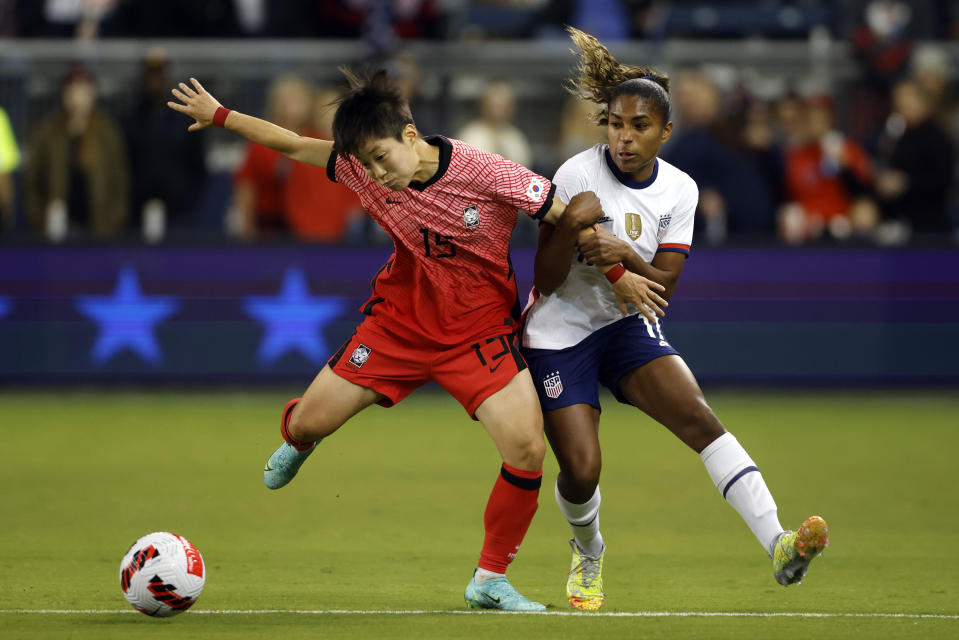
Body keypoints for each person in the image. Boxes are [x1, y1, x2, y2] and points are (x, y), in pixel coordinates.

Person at [167, 67, 665, 611]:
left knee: (526, 449)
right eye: (366, 164)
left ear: (409, 135)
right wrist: (220, 115)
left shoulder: (485, 171)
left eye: (382, 158)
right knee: (310, 421)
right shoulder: (360, 169)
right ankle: (298, 438)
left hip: (477, 331)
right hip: (399, 326)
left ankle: (489, 580)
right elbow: (292, 143)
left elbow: (570, 218)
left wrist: (619, 276)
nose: (376, 175)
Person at [519, 27, 829, 612]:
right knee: (582, 470)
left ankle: (779, 544)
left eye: (639, 126)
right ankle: (589, 555)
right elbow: (544, 282)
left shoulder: (680, 191)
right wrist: (566, 226)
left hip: (624, 322)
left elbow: (661, 289)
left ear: (665, 131)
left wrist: (623, 255)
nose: (625, 137)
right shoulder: (576, 175)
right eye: (615, 124)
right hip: (559, 331)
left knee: (700, 419)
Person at [24, 64, 129, 242]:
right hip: (56, 232)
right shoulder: (47, 132)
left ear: (92, 93)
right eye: (71, 91)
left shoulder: (107, 132)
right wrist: (42, 221)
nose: (76, 97)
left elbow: (120, 182)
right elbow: (32, 182)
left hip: (98, 230)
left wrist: (111, 223)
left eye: (82, 91)